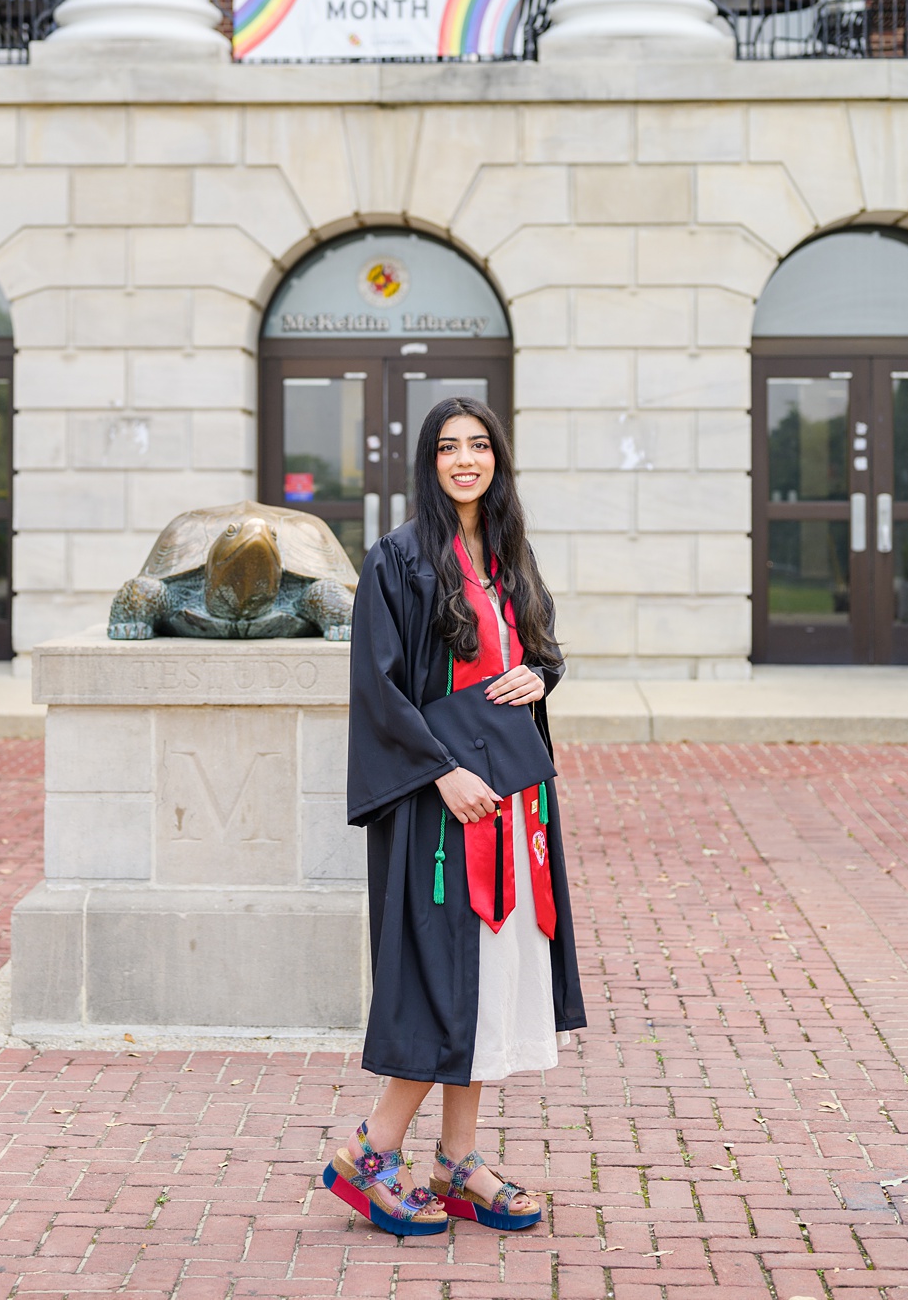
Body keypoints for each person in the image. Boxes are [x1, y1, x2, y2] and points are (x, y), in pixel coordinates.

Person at [322, 395, 586, 1235]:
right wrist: (440, 774)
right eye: (448, 447)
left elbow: (538, 652)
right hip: (444, 809)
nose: (465, 459)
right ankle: (367, 1151)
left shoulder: (508, 554)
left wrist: (545, 676)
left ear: (498, 459)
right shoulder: (398, 560)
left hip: (515, 800)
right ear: (428, 463)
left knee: (492, 977)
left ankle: (458, 1162)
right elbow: (378, 687)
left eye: (479, 446)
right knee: (444, 980)